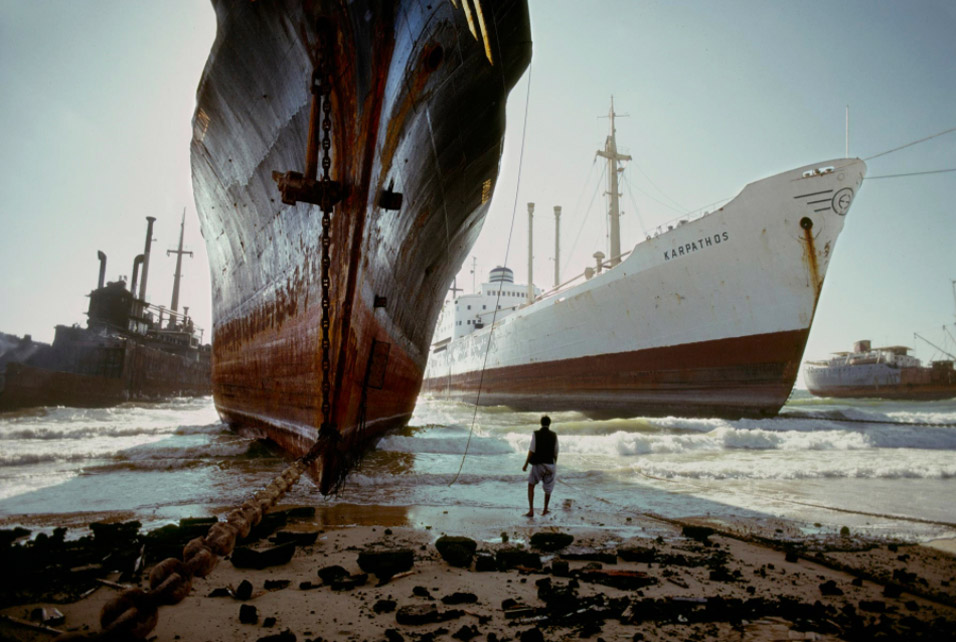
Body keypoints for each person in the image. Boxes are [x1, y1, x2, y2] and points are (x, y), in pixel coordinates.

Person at [522, 415, 558, 516]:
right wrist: (554, 466)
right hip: (550, 465)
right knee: (548, 488)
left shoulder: (536, 434)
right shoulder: (554, 435)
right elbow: (555, 453)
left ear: (541, 423)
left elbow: (531, 450)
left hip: (539, 464)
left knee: (531, 485)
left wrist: (525, 464)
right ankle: (545, 509)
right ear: (549, 424)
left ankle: (531, 511)